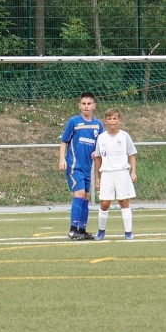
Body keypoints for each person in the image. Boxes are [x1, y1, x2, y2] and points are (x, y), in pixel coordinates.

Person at [58, 92, 103, 240]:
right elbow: (64, 142)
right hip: (74, 166)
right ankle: (73, 230)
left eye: (89, 104)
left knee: (86, 197)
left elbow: (101, 145)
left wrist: (97, 152)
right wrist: (62, 159)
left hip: (87, 168)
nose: (86, 106)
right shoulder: (74, 122)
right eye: (83, 104)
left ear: (94, 106)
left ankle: (82, 230)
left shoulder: (98, 125)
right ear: (79, 105)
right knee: (79, 194)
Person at [92, 108, 137, 241]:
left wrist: (133, 171)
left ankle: (128, 232)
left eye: (114, 119)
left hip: (122, 173)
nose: (112, 121)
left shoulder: (124, 136)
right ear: (105, 121)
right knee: (105, 203)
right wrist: (97, 177)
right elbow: (98, 158)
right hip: (107, 174)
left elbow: (131, 154)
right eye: (109, 119)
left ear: (119, 121)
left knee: (124, 201)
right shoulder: (101, 138)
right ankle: (101, 231)